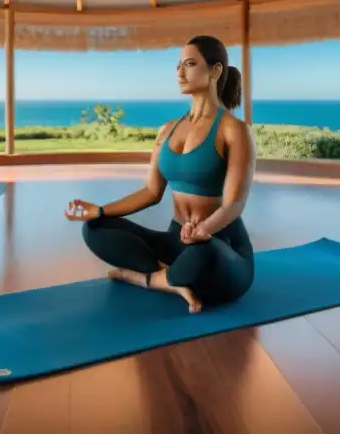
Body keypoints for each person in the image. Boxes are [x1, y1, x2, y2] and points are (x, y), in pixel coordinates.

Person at [65, 35, 256, 314]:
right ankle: (168, 279)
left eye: (190, 64)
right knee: (95, 228)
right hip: (177, 239)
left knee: (203, 253)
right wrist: (100, 211)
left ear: (215, 70)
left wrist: (203, 230)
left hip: (220, 247)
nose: (180, 72)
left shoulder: (235, 131)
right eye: (178, 65)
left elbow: (234, 203)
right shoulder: (167, 130)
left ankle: (150, 278)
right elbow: (151, 193)